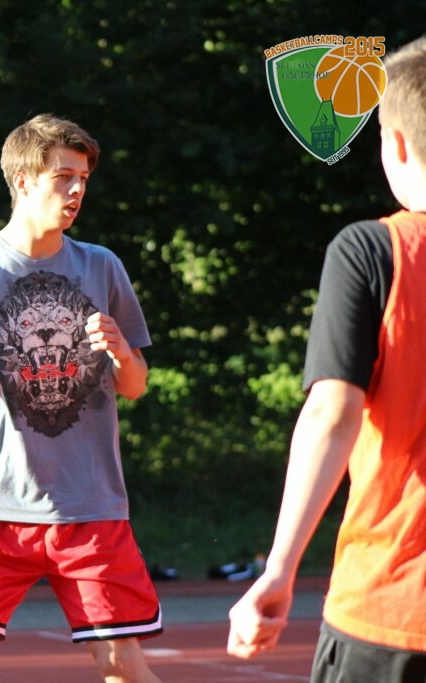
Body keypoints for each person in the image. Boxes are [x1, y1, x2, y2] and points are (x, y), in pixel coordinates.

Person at [0, 114, 163, 683]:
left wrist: (123, 353)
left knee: (121, 662)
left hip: (88, 502)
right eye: (63, 176)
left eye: (83, 179)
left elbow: (135, 385)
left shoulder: (102, 266)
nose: (76, 190)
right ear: (23, 181)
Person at [227, 37, 426, 680]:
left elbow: (332, 414)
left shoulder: (373, 251)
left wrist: (279, 568)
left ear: (396, 145)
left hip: (395, 604)